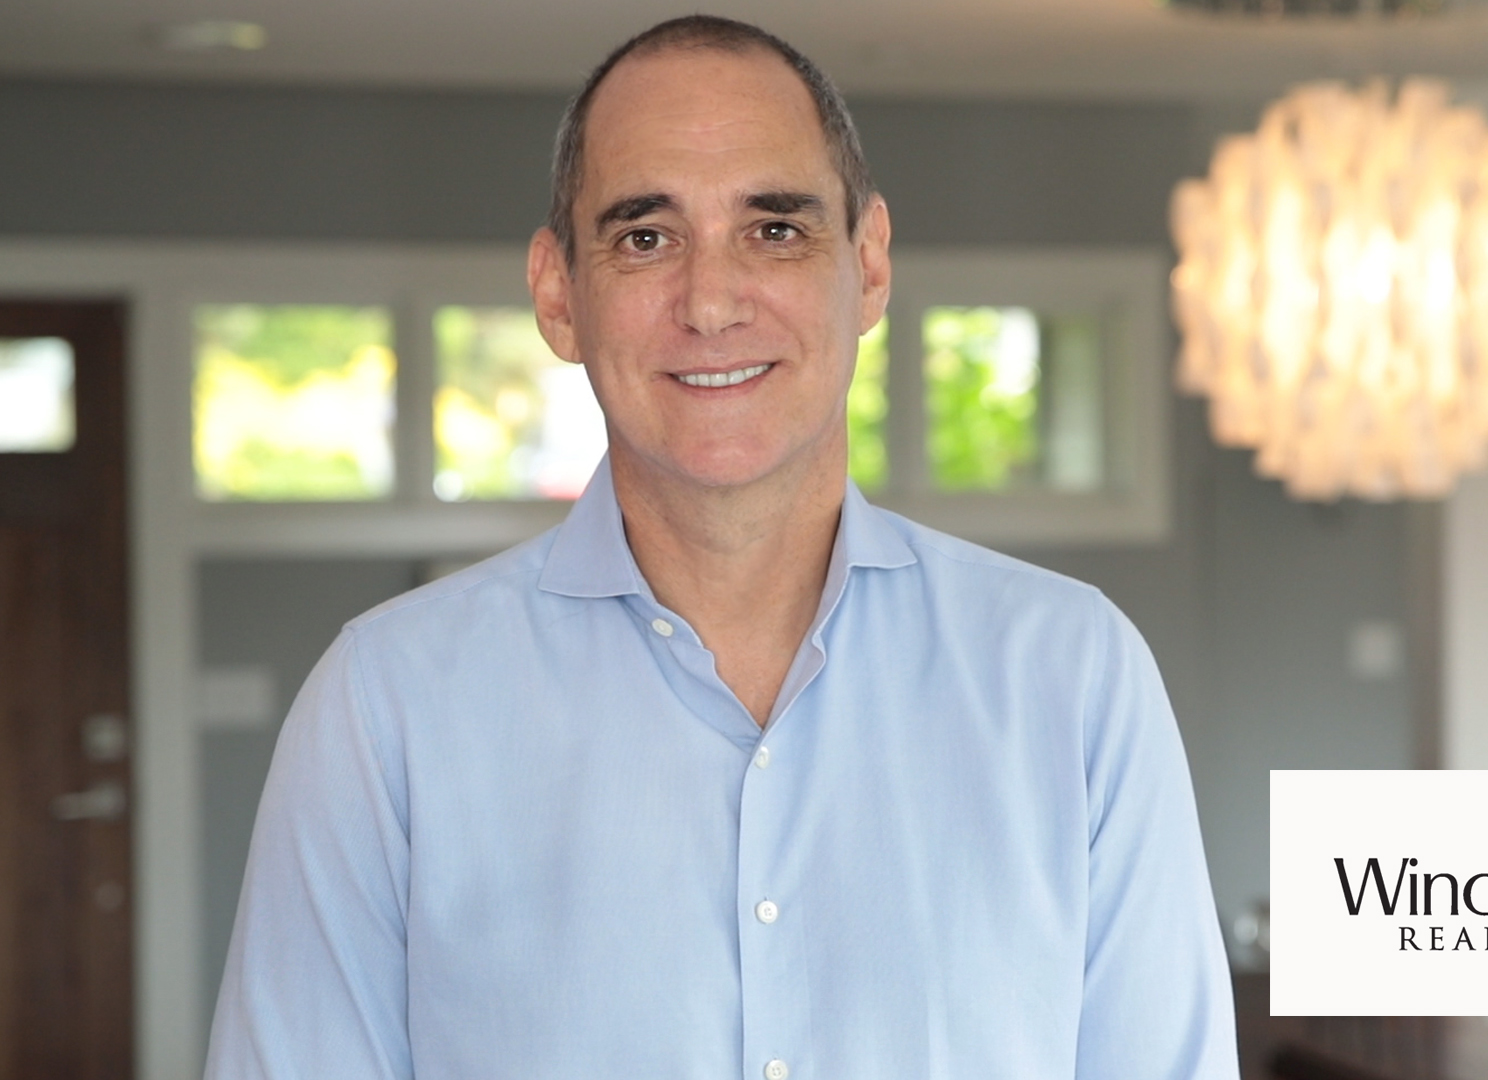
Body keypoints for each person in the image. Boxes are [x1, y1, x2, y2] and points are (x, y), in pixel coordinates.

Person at [206, 15, 1236, 1079]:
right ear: (559, 294)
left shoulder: (1074, 678)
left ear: (869, 264)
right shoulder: (385, 708)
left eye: (774, 229)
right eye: (645, 238)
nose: (709, 303)